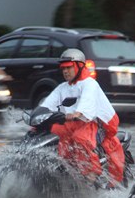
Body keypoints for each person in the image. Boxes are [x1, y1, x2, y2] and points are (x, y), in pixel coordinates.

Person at [41, 48, 124, 188]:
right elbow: (48, 104)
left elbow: (87, 102)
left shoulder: (90, 83)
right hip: (73, 123)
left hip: (96, 123)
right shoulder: (62, 87)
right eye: (63, 68)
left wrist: (78, 113)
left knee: (80, 137)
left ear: (79, 66)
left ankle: (91, 174)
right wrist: (38, 115)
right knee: (52, 132)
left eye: (69, 67)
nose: (65, 71)